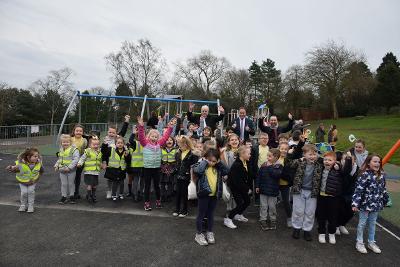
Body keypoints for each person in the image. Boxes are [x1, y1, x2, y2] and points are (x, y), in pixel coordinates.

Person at [137, 116, 176, 211]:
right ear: (148, 136)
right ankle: (147, 203)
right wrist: (141, 126)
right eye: (152, 136)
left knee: (156, 186)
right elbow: (141, 136)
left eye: (156, 137)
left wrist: (170, 127)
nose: (154, 138)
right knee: (147, 186)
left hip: (156, 169)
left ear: (158, 138)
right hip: (147, 168)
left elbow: (166, 136)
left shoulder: (159, 144)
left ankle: (158, 201)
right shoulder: (145, 143)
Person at [352, 154, 389, 254]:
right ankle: (359, 242)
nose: (377, 163)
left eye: (378, 162)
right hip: (365, 204)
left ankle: (371, 242)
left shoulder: (382, 175)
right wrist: (355, 203)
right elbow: (359, 190)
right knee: (362, 223)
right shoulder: (365, 175)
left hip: (376, 204)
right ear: (369, 163)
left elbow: (383, 189)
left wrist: (385, 200)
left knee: (372, 223)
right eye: (375, 161)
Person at [286, 142, 323, 241]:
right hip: (299, 190)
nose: (312, 156)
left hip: (312, 192)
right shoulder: (300, 162)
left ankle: (307, 230)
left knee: (310, 212)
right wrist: (290, 154)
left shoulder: (319, 164)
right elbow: (288, 163)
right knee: (298, 210)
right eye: (310, 154)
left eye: (314, 154)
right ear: (304, 155)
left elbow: (329, 161)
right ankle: (297, 228)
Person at [193, 148, 229, 246]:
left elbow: (227, 171)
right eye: (209, 160)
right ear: (205, 159)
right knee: (201, 214)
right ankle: (199, 234)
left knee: (210, 214)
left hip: (214, 195)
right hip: (204, 194)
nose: (212, 163)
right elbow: (198, 171)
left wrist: (219, 161)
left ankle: (209, 232)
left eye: (214, 161)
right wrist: (205, 161)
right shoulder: (200, 165)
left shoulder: (218, 167)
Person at [316, 151, 352, 245]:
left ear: (335, 161)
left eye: (330, 160)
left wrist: (348, 159)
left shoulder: (338, 170)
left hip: (333, 198)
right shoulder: (321, 168)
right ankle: (322, 233)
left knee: (333, 217)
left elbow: (346, 171)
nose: (327, 162)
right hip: (322, 197)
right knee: (321, 216)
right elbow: (317, 157)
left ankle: (332, 233)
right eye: (325, 160)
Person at [6, 147, 43, 213]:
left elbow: (41, 170)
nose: (37, 157)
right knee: (24, 193)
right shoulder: (21, 164)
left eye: (37, 156)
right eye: (35, 156)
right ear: (28, 157)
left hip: (32, 182)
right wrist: (10, 168)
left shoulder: (38, 163)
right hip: (22, 181)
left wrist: (36, 179)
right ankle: (23, 205)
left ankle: (30, 206)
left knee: (31, 191)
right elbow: (14, 168)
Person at [224, 146, 253, 229]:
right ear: (242, 154)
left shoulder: (246, 162)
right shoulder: (237, 165)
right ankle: (228, 219)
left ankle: (238, 215)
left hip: (242, 186)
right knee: (240, 203)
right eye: (248, 153)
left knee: (247, 201)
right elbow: (237, 181)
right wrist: (247, 189)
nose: (250, 155)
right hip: (235, 187)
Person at [102, 115, 130, 199]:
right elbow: (103, 152)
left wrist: (126, 121)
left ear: (116, 133)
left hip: (118, 163)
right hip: (109, 162)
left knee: (118, 179)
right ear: (107, 132)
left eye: (113, 132)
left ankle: (117, 192)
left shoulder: (118, 139)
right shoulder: (105, 140)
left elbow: (124, 130)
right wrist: (103, 162)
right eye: (110, 132)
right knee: (110, 178)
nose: (111, 134)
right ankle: (109, 191)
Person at [256, 148, 283, 230]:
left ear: (276, 157)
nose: (267, 157)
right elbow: (259, 176)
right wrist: (257, 186)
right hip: (263, 190)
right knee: (263, 206)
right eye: (267, 156)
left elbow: (276, 175)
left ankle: (273, 220)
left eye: (269, 156)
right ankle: (263, 219)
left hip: (273, 191)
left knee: (272, 207)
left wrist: (270, 166)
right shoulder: (264, 165)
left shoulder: (279, 166)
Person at [173, 136, 199, 217]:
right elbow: (176, 163)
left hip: (187, 177)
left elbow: (195, 166)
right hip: (178, 176)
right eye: (179, 143)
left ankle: (184, 210)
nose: (180, 145)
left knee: (185, 193)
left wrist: (192, 177)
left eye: (182, 143)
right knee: (178, 193)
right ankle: (177, 209)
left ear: (187, 143)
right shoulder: (178, 152)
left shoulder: (193, 153)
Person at [54, 134, 80, 204]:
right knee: (64, 184)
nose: (65, 143)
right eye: (64, 142)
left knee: (71, 184)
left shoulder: (74, 149)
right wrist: (56, 165)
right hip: (62, 170)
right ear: (61, 142)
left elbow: (76, 159)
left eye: (67, 142)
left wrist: (69, 167)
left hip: (71, 171)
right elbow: (60, 159)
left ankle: (72, 196)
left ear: (70, 142)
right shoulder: (61, 149)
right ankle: (64, 196)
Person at [77, 137, 104, 203]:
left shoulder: (99, 151)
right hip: (88, 171)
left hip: (96, 171)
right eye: (94, 144)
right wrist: (79, 163)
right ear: (90, 145)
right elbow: (82, 158)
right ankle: (89, 196)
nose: (96, 146)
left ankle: (93, 195)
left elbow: (100, 159)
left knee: (95, 184)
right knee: (89, 184)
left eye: (97, 144)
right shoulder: (88, 151)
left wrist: (101, 165)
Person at [70, 124, 88, 200]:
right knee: (71, 177)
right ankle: (71, 193)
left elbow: (85, 151)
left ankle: (76, 192)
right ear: (74, 131)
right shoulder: (70, 139)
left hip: (80, 161)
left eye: (80, 131)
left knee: (77, 177)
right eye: (77, 131)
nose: (78, 132)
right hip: (71, 161)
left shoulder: (84, 140)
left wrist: (81, 161)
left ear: (83, 132)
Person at [127, 125, 144, 201]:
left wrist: (134, 133)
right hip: (139, 166)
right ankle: (136, 194)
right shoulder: (138, 143)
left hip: (140, 166)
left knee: (138, 180)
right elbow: (130, 140)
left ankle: (137, 195)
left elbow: (130, 140)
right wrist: (133, 133)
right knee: (138, 181)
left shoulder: (139, 143)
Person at [160, 136, 177, 203]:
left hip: (172, 168)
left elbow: (177, 160)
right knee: (162, 183)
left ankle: (169, 196)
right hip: (163, 168)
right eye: (167, 140)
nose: (169, 141)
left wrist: (175, 168)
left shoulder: (176, 150)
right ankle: (162, 196)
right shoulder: (162, 149)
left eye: (171, 140)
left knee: (170, 183)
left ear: (173, 142)